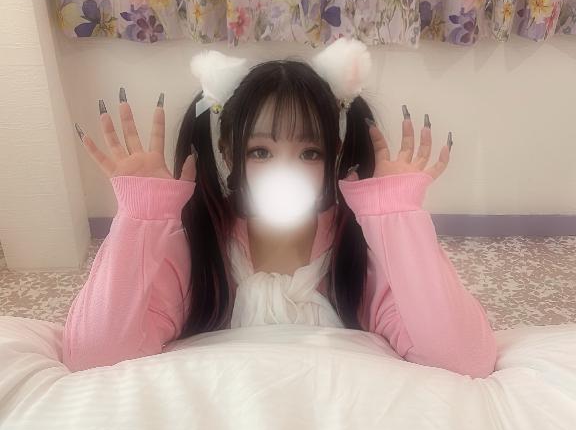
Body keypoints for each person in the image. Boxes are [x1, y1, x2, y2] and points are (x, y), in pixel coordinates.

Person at [63, 52, 498, 376]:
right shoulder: (197, 246)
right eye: (261, 151)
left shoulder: (356, 247)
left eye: (309, 152)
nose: (285, 170)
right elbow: (93, 356)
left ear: (333, 156)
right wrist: (141, 215)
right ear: (228, 153)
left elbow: (463, 359)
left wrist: (398, 212)